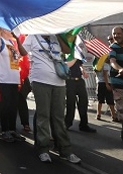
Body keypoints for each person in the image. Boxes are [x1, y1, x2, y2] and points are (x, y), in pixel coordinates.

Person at [23, 33, 81, 164]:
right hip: (40, 80)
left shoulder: (56, 37)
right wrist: (16, 39)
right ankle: (43, 149)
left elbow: (67, 50)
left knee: (59, 117)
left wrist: (59, 33)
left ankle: (65, 150)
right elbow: (22, 52)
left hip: (59, 82)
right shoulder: (32, 37)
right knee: (43, 116)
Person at [0, 27, 27, 142]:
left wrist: (17, 40)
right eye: (7, 28)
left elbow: (20, 55)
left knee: (13, 105)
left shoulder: (12, 42)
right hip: (4, 78)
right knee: (5, 104)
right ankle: (5, 130)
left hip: (14, 78)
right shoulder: (0, 41)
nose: (11, 30)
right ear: (2, 30)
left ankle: (12, 129)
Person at [64, 55, 96, 133]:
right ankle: (67, 123)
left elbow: (80, 64)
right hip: (69, 80)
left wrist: (83, 70)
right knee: (71, 103)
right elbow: (67, 65)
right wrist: (75, 56)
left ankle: (83, 125)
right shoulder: (66, 53)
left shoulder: (77, 54)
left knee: (84, 102)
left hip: (79, 80)